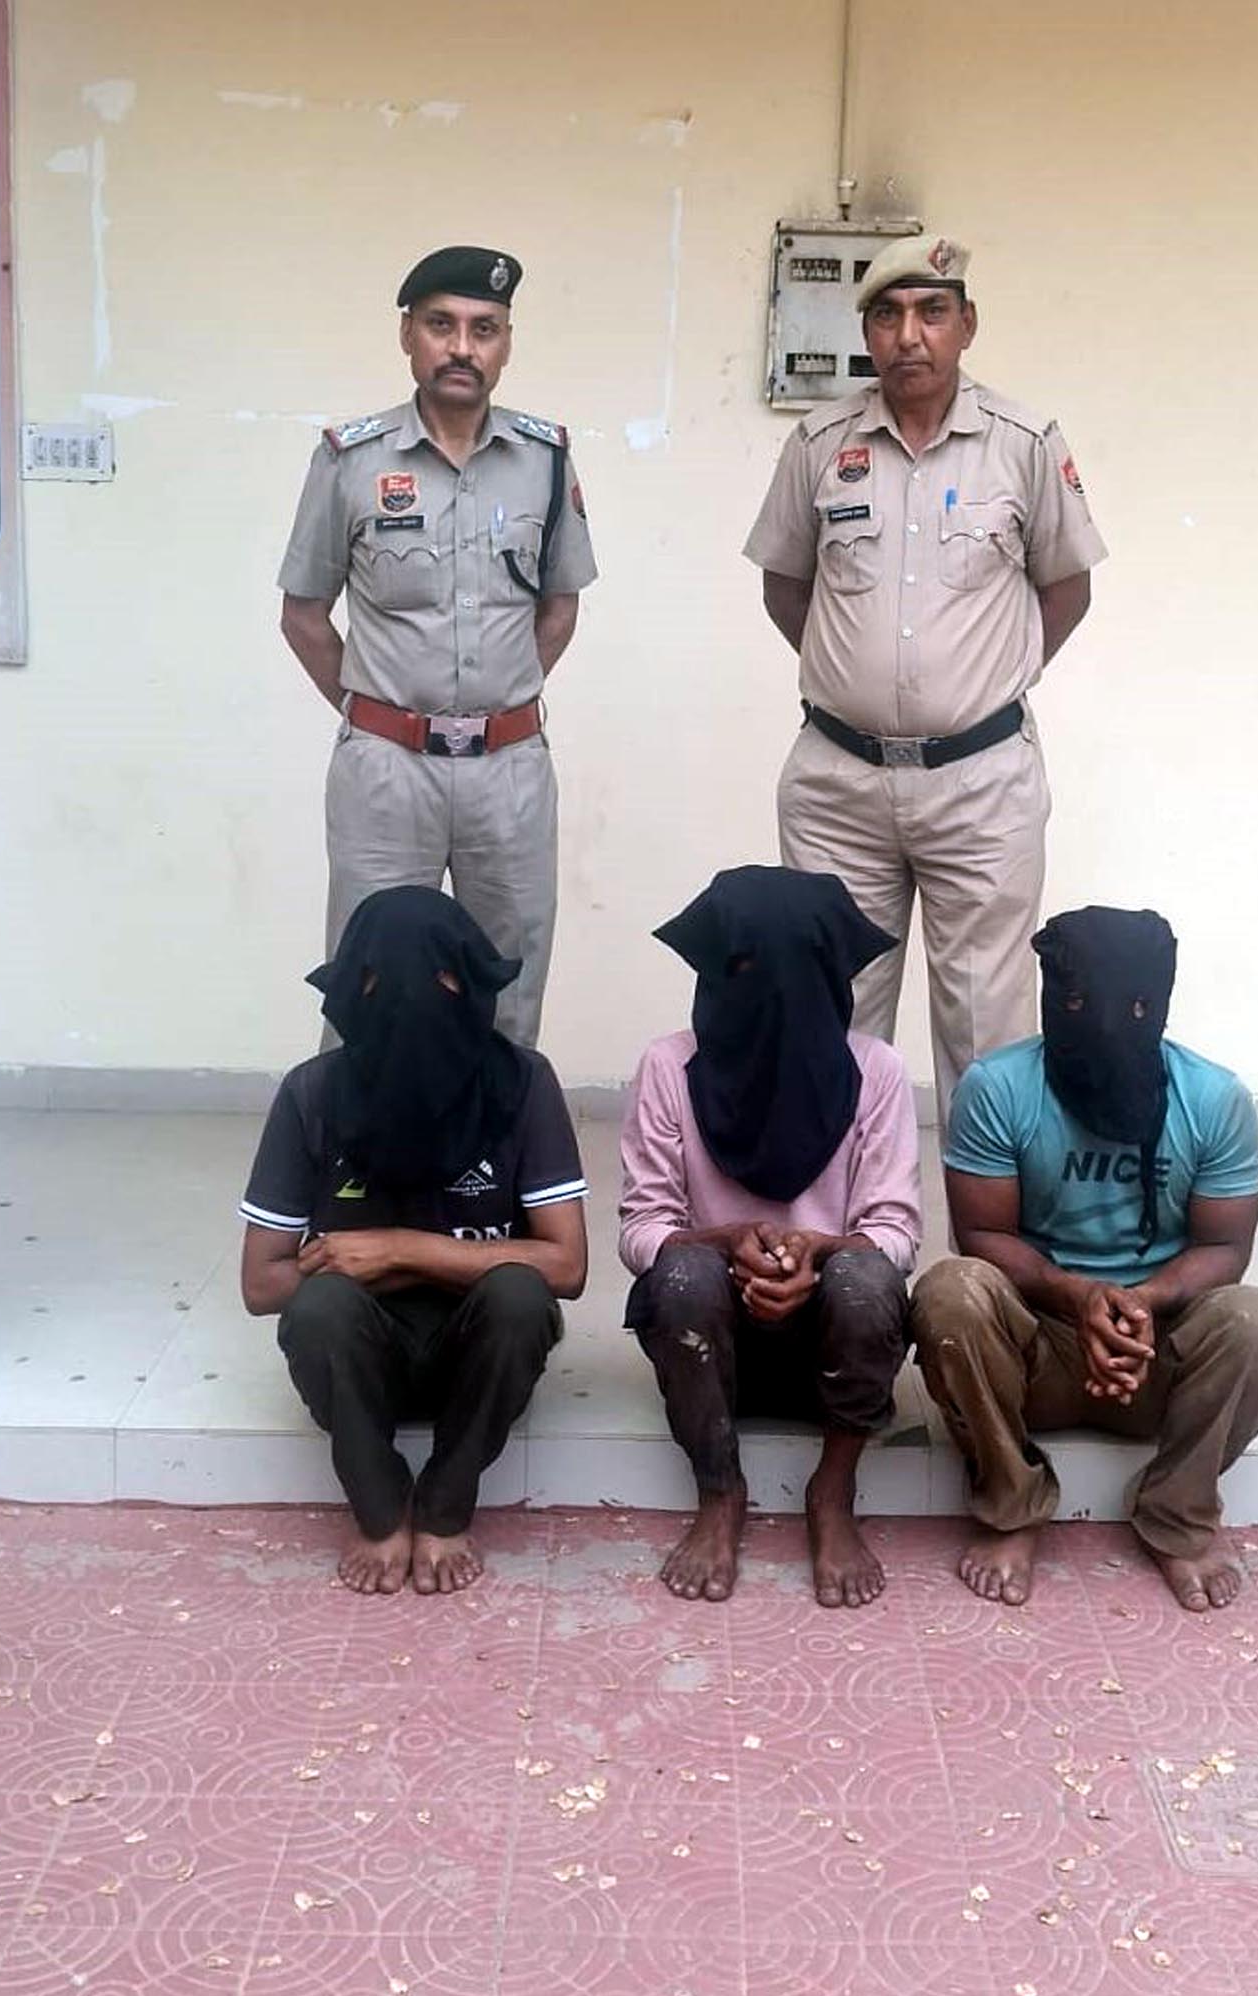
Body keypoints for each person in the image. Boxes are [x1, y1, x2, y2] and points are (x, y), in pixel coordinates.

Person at [744, 231, 1107, 1134]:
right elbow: (786, 587)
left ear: (965, 325)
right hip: (839, 787)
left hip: (980, 787)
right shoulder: (819, 444)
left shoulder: (1023, 444)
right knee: (830, 1020)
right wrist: (854, 683)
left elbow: (1066, 588)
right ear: (866, 332)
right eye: (888, 315)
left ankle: (985, 1228)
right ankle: (842, 1220)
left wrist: (983, 687)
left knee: (986, 1032)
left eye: (931, 312)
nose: (909, 335)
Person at [909, 906, 1258, 1612]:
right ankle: (1012, 1504)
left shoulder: (1212, 1097)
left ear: (1157, 1004)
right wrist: (1079, 1297)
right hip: (1036, 1342)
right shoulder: (998, 1087)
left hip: (1158, 1347)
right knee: (950, 1292)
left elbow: (1224, 1247)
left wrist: (1141, 1303)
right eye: (1072, 1003)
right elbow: (981, 1234)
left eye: (1132, 1007)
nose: (1100, 1024)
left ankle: (1178, 1515)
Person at [278, 245, 597, 1048]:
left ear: (506, 343)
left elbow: (560, 606)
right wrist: (378, 711)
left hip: (510, 772)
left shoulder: (545, 460)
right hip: (386, 775)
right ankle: (356, 1133)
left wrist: (497, 700)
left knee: (509, 986)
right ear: (406, 335)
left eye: (483, 329)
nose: (461, 347)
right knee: (368, 982)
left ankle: (498, 1130)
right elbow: (304, 615)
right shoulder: (350, 460)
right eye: (440, 325)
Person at [238, 886, 588, 1595]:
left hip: (478, 1354)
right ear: (352, 993)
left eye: (441, 977)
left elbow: (566, 1266)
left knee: (519, 1298)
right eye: (380, 980)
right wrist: (354, 1274)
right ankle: (379, 1510)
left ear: (470, 984)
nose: (412, 997)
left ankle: (445, 1507)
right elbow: (261, 1283)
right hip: (361, 1360)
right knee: (320, 1308)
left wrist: (400, 1251)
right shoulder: (313, 1093)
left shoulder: (522, 1083)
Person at [620, 865, 921, 1608]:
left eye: (798, 969)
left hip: (831, 1336)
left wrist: (819, 1252)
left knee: (867, 1277)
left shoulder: (876, 1070)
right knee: (681, 1272)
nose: (775, 990)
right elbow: (642, 1228)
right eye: (748, 968)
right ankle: (720, 1491)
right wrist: (724, 1241)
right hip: (712, 1337)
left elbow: (895, 1233)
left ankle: (833, 1489)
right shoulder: (668, 1065)